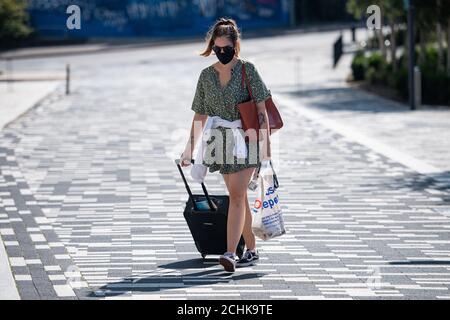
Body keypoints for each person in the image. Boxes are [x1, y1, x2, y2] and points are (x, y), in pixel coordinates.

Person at [180, 17, 272, 273]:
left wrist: (265, 150)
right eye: (217, 48)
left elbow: (262, 109)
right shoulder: (206, 76)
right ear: (212, 47)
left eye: (226, 48)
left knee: (238, 196)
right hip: (218, 141)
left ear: (235, 45)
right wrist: (189, 148)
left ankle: (230, 253)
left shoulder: (248, 70)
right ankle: (252, 250)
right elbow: (200, 115)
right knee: (236, 198)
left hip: (246, 139)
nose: (222, 53)